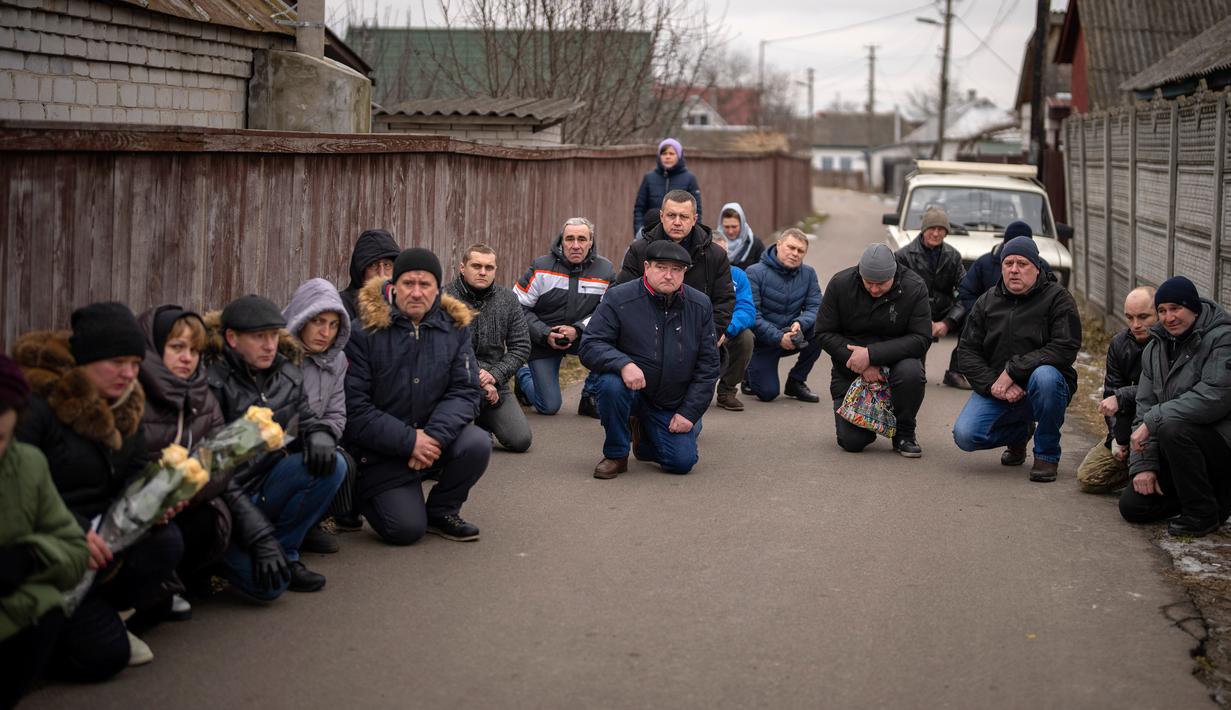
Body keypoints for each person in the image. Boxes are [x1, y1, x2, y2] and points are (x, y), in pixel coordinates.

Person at [15, 302, 185, 676]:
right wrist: (72, 528)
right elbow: (17, 487)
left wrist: (156, 496)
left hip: (103, 544)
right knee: (105, 658)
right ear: (84, 360)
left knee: (167, 539)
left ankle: (95, 611)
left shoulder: (127, 408)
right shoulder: (38, 405)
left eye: (136, 364)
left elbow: (136, 472)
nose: (129, 374)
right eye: (117, 362)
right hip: (46, 545)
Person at [345, 248, 489, 545]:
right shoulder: (364, 333)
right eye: (408, 283)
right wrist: (410, 441)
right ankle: (358, 498)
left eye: (425, 285)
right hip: (381, 452)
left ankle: (442, 511)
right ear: (394, 286)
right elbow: (356, 409)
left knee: (476, 442)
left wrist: (432, 438)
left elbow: (465, 391)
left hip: (434, 440)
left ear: (438, 290)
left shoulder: (454, 329)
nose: (416, 292)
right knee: (405, 531)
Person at [207, 295, 345, 596]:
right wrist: (260, 538)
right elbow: (214, 474)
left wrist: (319, 434)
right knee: (269, 588)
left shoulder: (285, 372)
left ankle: (287, 552)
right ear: (231, 338)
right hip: (220, 502)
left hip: (265, 483)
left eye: (273, 335)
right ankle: (216, 559)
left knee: (334, 463)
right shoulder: (211, 385)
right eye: (259, 337)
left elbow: (306, 419)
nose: (270, 345)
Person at [581, 240, 720, 478]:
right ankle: (616, 454)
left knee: (682, 462)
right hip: (630, 391)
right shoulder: (619, 298)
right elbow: (590, 344)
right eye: (661, 267)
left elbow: (708, 366)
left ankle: (643, 432)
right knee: (610, 384)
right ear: (647, 267)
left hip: (670, 400)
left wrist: (689, 412)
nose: (669, 275)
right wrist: (623, 364)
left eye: (676, 269)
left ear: (684, 272)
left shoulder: (700, 305)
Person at [0, 355, 90, 707]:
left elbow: (73, 549)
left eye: (1, 436)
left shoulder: (27, 465)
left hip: (18, 610)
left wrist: (29, 554)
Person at [952, 236, 1081, 482]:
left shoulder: (1058, 298)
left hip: (1045, 386)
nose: (1014, 269)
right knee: (965, 435)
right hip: (999, 387)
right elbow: (967, 351)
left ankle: (1047, 455)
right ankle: (1019, 434)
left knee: (1045, 377)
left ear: (1037, 267)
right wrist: (993, 385)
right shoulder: (987, 301)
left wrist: (1013, 370)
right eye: (1008, 263)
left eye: (1022, 263)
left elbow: (1065, 347)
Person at [1119, 277, 1231, 537]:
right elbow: (1144, 405)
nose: (1169, 318)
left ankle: (1202, 514)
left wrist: (1153, 420)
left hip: (1219, 445)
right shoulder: (1155, 348)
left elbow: (1214, 398)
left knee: (1172, 428)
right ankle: (1208, 499)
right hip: (1178, 450)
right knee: (1133, 507)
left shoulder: (1222, 339)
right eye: (1162, 311)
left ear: (1193, 308)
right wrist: (1144, 465)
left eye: (1176, 308)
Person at [136, 306, 226, 619]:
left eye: (194, 350)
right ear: (154, 346)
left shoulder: (203, 395)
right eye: (177, 348)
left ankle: (175, 582)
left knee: (208, 519)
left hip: (185, 502)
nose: (187, 358)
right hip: (139, 506)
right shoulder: (134, 394)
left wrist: (185, 489)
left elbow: (219, 460)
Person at [816, 244, 931, 456]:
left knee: (911, 372)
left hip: (898, 363)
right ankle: (871, 426)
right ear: (860, 273)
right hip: (850, 367)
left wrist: (871, 355)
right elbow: (823, 332)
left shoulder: (914, 287)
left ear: (894, 274)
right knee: (852, 442)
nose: (875, 289)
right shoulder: (840, 284)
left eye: (881, 284)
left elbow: (921, 338)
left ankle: (904, 433)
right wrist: (860, 363)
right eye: (869, 283)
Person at [514, 218, 615, 418]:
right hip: (542, 340)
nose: (575, 245)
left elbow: (607, 313)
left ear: (590, 242)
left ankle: (590, 396)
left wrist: (577, 330)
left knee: (615, 343)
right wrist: (545, 333)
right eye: (570, 239)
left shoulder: (605, 271)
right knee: (548, 406)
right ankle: (524, 375)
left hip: (583, 338)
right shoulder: (541, 267)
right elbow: (516, 307)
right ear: (561, 241)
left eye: (581, 239)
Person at [283, 279, 354, 551]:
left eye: (334, 325)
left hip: (312, 440)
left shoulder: (336, 360)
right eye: (319, 322)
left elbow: (337, 412)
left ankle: (306, 525)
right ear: (303, 318)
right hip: (275, 445)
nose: (325, 332)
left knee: (338, 461)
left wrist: (323, 435)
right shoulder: (276, 354)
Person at [444, 244, 533, 452]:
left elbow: (521, 346)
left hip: (495, 384)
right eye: (476, 266)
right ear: (462, 267)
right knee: (458, 446)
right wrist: (476, 376)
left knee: (521, 440)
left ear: (495, 270)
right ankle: (474, 421)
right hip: (454, 384)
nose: (483, 272)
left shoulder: (508, 299)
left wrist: (494, 376)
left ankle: (484, 419)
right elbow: (442, 350)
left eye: (489, 267)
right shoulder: (444, 298)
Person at [619, 189, 735, 340]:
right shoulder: (639, 250)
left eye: (684, 217)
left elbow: (724, 302)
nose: (677, 222)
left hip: (697, 335)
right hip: (646, 335)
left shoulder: (715, 255)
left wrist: (709, 335)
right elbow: (624, 296)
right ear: (662, 216)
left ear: (694, 219)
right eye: (671, 215)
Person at [1075, 287, 1155, 494]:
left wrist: (1122, 396)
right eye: (1130, 317)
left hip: (1157, 426)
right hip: (1128, 424)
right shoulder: (1120, 343)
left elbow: (1161, 390)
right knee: (1089, 477)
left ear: (1159, 313)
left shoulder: (1168, 343)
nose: (1136, 325)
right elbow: (1111, 394)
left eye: (1143, 317)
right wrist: (1117, 438)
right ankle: (1131, 469)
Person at [745, 228, 824, 404]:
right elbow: (752, 315)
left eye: (800, 251)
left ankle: (796, 381)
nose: (795, 254)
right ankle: (747, 370)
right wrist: (778, 337)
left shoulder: (808, 274)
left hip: (792, 334)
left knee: (822, 327)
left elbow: (816, 306)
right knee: (768, 394)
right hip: (762, 342)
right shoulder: (754, 272)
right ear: (779, 245)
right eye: (791, 247)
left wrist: (800, 323)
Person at [894, 206, 966, 388]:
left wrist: (948, 322)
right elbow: (896, 292)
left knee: (975, 315)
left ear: (946, 232)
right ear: (923, 230)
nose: (936, 233)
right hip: (914, 311)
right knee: (915, 374)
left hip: (943, 311)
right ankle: (914, 367)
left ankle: (956, 371)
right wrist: (922, 319)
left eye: (941, 229)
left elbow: (966, 291)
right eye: (931, 228)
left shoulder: (953, 256)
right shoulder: (903, 256)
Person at [711, 233, 756, 412]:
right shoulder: (693, 273)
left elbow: (747, 311)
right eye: (718, 253)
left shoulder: (738, 275)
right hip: (699, 332)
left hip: (725, 332)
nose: (723, 258)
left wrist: (725, 330)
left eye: (726, 254)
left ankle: (727, 391)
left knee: (746, 337)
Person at [633, 138, 702, 235]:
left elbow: (696, 209)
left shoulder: (689, 178)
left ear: (679, 156)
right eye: (664, 154)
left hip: (679, 232)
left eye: (671, 153)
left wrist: (695, 233)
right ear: (659, 156)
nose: (667, 157)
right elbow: (639, 208)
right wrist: (639, 230)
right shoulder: (649, 178)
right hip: (651, 232)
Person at [339, 229, 400, 320]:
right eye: (373, 265)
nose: (381, 274)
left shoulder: (403, 304)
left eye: (387, 265)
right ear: (361, 272)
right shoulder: (341, 306)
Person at [718, 202, 764, 271]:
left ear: (742, 224)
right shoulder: (714, 243)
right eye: (726, 227)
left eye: (734, 227)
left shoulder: (755, 244)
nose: (730, 231)